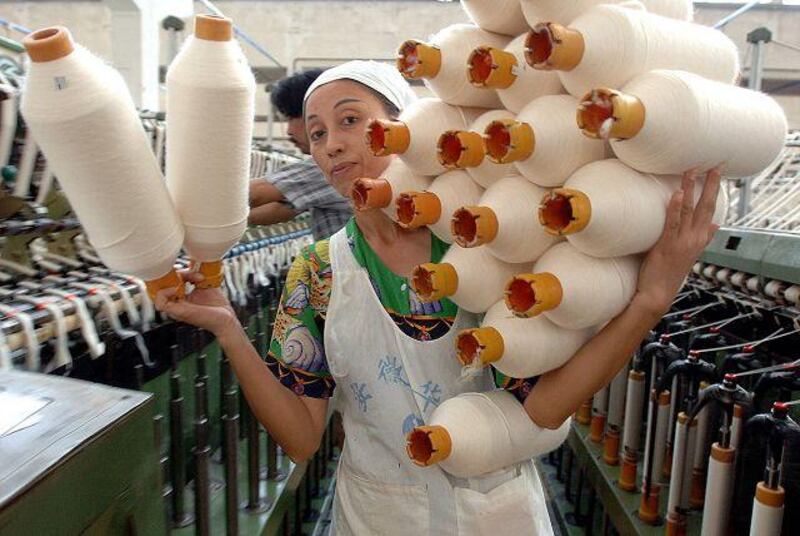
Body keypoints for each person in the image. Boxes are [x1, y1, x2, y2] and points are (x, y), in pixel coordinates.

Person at [154, 61, 722, 535]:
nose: (332, 144)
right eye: (318, 132)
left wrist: (648, 300)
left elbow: (545, 405)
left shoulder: (485, 239)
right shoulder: (318, 271)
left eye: (350, 120)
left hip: (496, 516)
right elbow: (303, 438)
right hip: (376, 517)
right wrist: (228, 328)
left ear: (404, 130)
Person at [249, 68, 352, 241]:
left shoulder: (331, 163)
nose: (288, 130)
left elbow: (255, 194)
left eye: (291, 117)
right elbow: (279, 211)